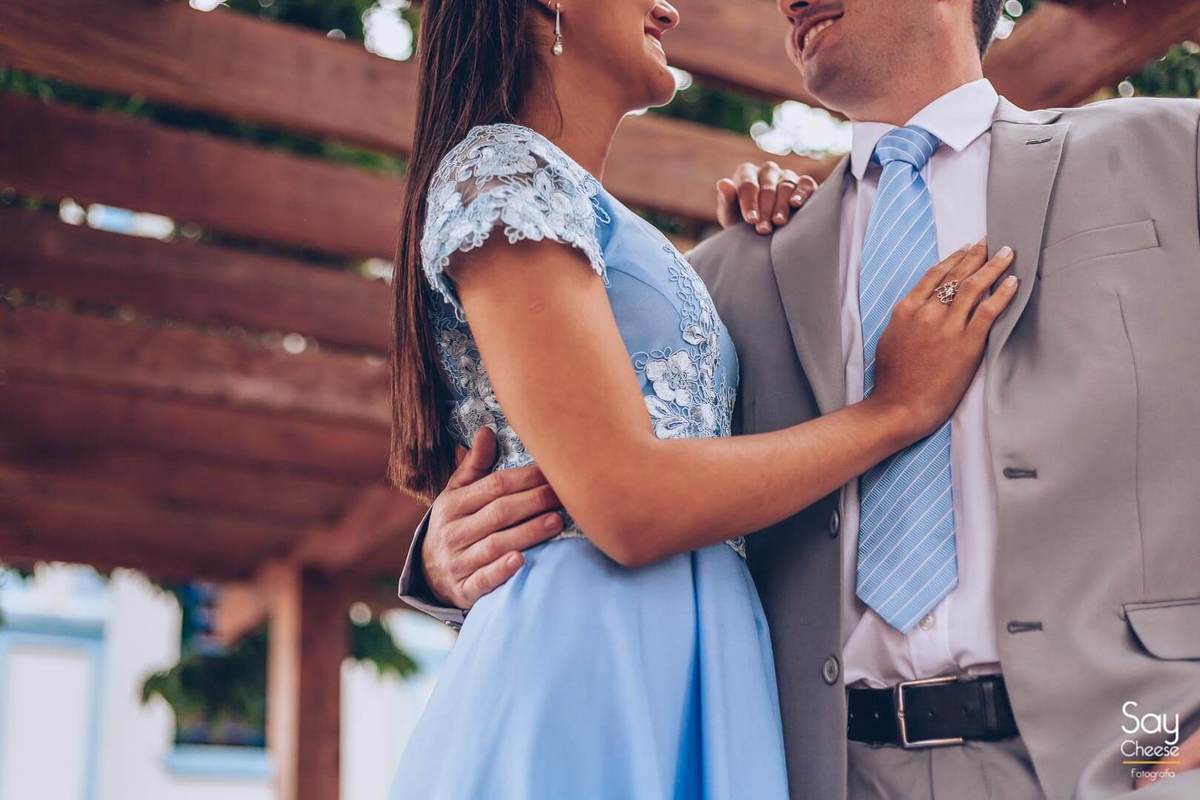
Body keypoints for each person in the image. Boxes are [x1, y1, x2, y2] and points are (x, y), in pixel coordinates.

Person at [403, 0, 1200, 798]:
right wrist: (444, 559)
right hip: (813, 770)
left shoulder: (1169, 153)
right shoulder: (735, 273)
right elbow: (619, 467)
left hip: (1131, 755)